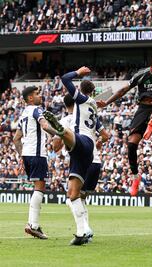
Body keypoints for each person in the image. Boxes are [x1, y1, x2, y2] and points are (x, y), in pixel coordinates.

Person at [97, 51, 152, 195]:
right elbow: (123, 90)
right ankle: (135, 176)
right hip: (143, 108)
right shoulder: (142, 75)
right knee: (131, 144)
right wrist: (106, 102)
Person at [43, 66, 98, 245]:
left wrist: (78, 72)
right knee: (73, 194)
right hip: (84, 153)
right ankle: (82, 232)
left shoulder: (81, 100)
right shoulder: (94, 104)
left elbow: (65, 78)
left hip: (82, 141)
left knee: (68, 133)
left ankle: (59, 130)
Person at [52, 94, 110, 243]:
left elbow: (56, 147)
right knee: (81, 198)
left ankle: (84, 230)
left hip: (81, 161)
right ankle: (86, 231)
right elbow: (105, 135)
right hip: (95, 161)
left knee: (71, 198)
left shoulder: (65, 120)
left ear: (65, 106)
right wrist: (98, 142)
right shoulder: (88, 116)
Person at [13, 86, 62, 239]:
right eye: (36, 94)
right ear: (30, 99)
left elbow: (16, 139)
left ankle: (33, 224)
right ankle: (33, 225)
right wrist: (61, 133)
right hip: (37, 154)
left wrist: (22, 155)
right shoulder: (36, 109)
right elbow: (45, 125)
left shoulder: (23, 114)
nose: (40, 96)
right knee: (39, 187)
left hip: (27, 154)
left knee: (37, 187)